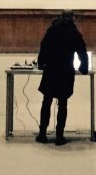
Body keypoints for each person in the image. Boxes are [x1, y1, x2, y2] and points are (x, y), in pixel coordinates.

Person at [35, 10, 88, 145]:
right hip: (65, 71)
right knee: (62, 103)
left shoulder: (52, 30)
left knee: (46, 101)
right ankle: (59, 136)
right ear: (72, 18)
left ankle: (42, 134)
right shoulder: (74, 32)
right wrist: (84, 67)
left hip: (51, 69)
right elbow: (82, 51)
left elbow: (44, 46)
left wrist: (41, 63)